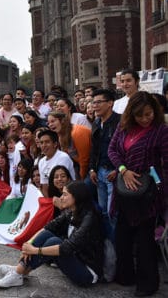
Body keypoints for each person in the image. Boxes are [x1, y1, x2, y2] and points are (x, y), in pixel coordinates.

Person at [108, 91, 168, 296]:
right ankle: (126, 276)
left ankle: (147, 284)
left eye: (148, 114)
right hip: (124, 193)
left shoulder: (161, 130)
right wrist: (123, 170)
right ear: (131, 114)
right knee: (123, 236)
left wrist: (163, 191)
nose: (144, 119)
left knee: (145, 242)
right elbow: (112, 151)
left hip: (148, 194)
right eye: (140, 115)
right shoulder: (123, 127)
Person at [0, 181, 103, 288]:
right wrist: (29, 244)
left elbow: (67, 247)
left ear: (77, 197)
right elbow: (48, 227)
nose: (61, 198)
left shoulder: (90, 218)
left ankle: (19, 272)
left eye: (65, 195)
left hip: (87, 273)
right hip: (75, 259)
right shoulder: (72, 212)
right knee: (48, 234)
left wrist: (33, 250)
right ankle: (20, 270)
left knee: (54, 241)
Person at [88, 89, 120, 241]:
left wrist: (118, 169)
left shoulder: (120, 122)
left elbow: (125, 148)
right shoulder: (96, 123)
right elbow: (94, 148)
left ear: (110, 103)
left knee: (113, 212)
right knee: (103, 212)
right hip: (99, 172)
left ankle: (118, 249)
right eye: (93, 102)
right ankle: (108, 248)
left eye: (99, 102)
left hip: (114, 172)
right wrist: (92, 168)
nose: (95, 106)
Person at [47, 111, 91, 180]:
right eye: (48, 123)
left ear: (62, 121)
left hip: (91, 168)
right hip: (79, 167)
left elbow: (84, 159)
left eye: (53, 121)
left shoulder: (77, 132)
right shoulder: (60, 136)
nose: (50, 125)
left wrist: (81, 178)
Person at [37, 130, 75, 197]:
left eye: (47, 142)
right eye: (41, 143)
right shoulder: (41, 162)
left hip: (69, 194)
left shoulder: (63, 157)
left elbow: (63, 183)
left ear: (55, 144)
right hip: (54, 197)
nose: (44, 145)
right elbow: (45, 186)